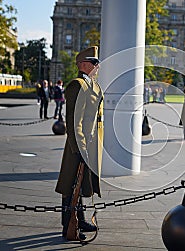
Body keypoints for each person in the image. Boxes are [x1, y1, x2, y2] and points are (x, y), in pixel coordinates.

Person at [55, 46, 104, 241]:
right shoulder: (77, 85)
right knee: (70, 185)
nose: (97, 66)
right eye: (94, 62)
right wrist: (80, 149)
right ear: (83, 65)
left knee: (83, 184)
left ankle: (80, 218)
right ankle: (69, 224)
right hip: (79, 145)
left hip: (91, 144)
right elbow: (74, 121)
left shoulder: (92, 84)